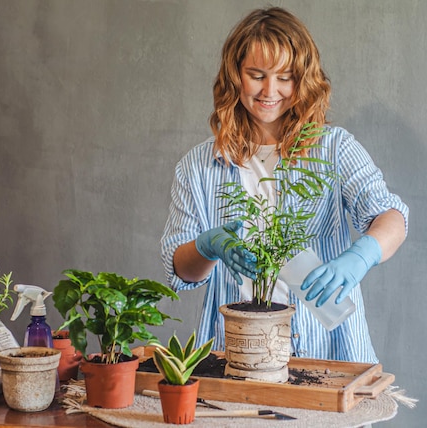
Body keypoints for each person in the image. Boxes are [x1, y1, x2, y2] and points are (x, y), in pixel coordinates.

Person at [160, 7, 408, 363]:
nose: (270, 90)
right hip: (235, 351)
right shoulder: (198, 166)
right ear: (235, 77)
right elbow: (180, 270)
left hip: (326, 349)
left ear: (303, 79)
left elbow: (391, 217)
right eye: (256, 75)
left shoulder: (332, 147)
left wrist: (360, 256)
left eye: (285, 77)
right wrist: (208, 245)